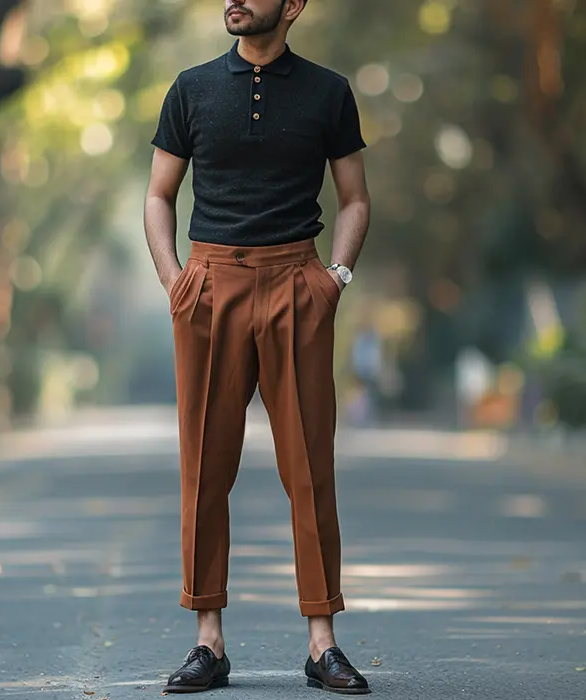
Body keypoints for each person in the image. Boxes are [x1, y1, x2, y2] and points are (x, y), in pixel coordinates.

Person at [143, 0, 372, 693]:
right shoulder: (191, 89)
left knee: (309, 467)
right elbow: (158, 195)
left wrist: (334, 279)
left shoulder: (329, 92)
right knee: (205, 466)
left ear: (293, 5)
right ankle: (208, 641)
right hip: (209, 286)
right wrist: (175, 280)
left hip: (297, 281)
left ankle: (322, 641)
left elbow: (355, 198)